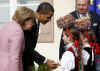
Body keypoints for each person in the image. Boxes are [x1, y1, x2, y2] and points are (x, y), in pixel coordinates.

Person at [22, 2, 59, 71]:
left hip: (28, 61)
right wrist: (45, 61)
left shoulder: (36, 22)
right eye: (48, 17)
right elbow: (27, 47)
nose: (49, 20)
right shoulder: (29, 23)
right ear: (40, 14)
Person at [0, 7, 35, 71]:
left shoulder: (7, 26)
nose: (33, 24)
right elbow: (14, 58)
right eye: (32, 21)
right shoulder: (17, 31)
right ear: (25, 19)